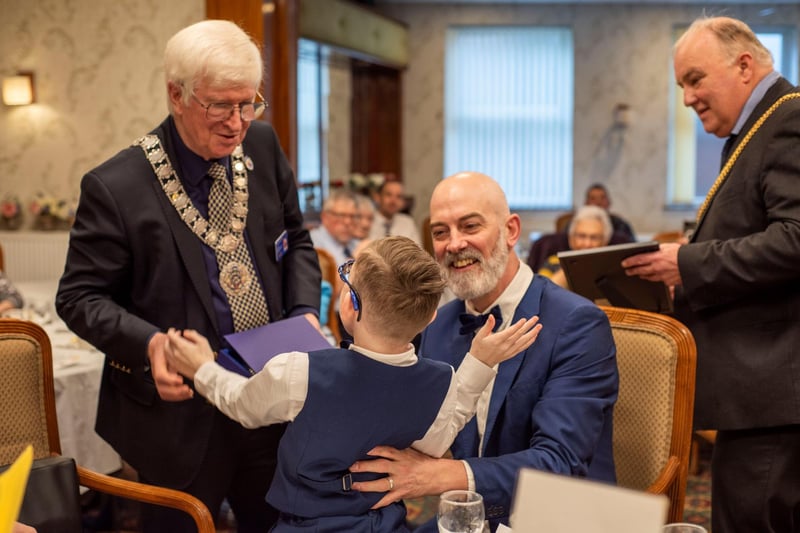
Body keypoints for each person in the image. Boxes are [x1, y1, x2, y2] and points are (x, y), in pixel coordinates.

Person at [55, 20, 321, 532]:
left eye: (249, 104)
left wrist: (305, 312)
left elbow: (297, 240)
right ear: (176, 94)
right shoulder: (117, 186)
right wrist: (150, 342)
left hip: (267, 401)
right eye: (220, 105)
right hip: (176, 422)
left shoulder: (262, 146)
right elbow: (79, 297)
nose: (237, 123)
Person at [164, 236, 542, 532]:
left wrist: (201, 368)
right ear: (429, 317)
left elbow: (241, 406)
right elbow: (439, 439)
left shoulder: (297, 371)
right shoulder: (442, 380)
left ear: (351, 305)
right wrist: (478, 363)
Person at [350, 171, 619, 531]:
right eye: (441, 232)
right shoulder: (439, 324)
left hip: (559, 518)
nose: (455, 244)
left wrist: (440, 475)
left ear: (510, 230)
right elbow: (423, 427)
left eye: (470, 226)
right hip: (470, 517)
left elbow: (561, 463)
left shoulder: (577, 323)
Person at [622, 16, 800, 533]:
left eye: (695, 79)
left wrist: (687, 263)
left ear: (744, 65)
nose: (687, 98)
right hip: (760, 396)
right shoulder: (757, 128)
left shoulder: (787, 120)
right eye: (682, 85)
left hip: (773, 398)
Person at [537, 205, 613, 288]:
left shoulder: (612, 268)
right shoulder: (553, 262)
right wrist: (571, 267)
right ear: (571, 239)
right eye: (581, 236)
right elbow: (541, 293)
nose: (587, 244)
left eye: (594, 238)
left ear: (605, 242)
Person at [309, 189, 359, 266]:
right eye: (341, 215)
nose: (348, 222)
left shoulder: (355, 243)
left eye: (352, 216)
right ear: (325, 217)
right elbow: (329, 277)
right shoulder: (313, 243)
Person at [368, 181, 422, 245]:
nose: (393, 201)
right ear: (378, 197)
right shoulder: (367, 221)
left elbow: (418, 251)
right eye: (388, 195)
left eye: (398, 196)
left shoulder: (408, 222)